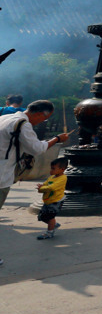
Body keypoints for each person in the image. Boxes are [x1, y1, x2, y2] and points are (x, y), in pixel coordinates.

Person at [0, 100, 68, 267]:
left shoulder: (6, 118)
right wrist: (57, 139)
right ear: (40, 114)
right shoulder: (23, 124)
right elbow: (37, 148)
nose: (42, 122)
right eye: (45, 119)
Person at [36, 157, 68, 240]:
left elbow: (52, 187)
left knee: (50, 217)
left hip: (55, 201)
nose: (51, 170)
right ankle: (54, 225)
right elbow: (45, 184)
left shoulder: (62, 178)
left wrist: (42, 188)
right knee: (42, 217)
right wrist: (41, 187)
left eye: (53, 169)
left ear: (62, 169)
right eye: (51, 168)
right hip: (47, 200)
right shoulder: (51, 177)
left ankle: (49, 233)